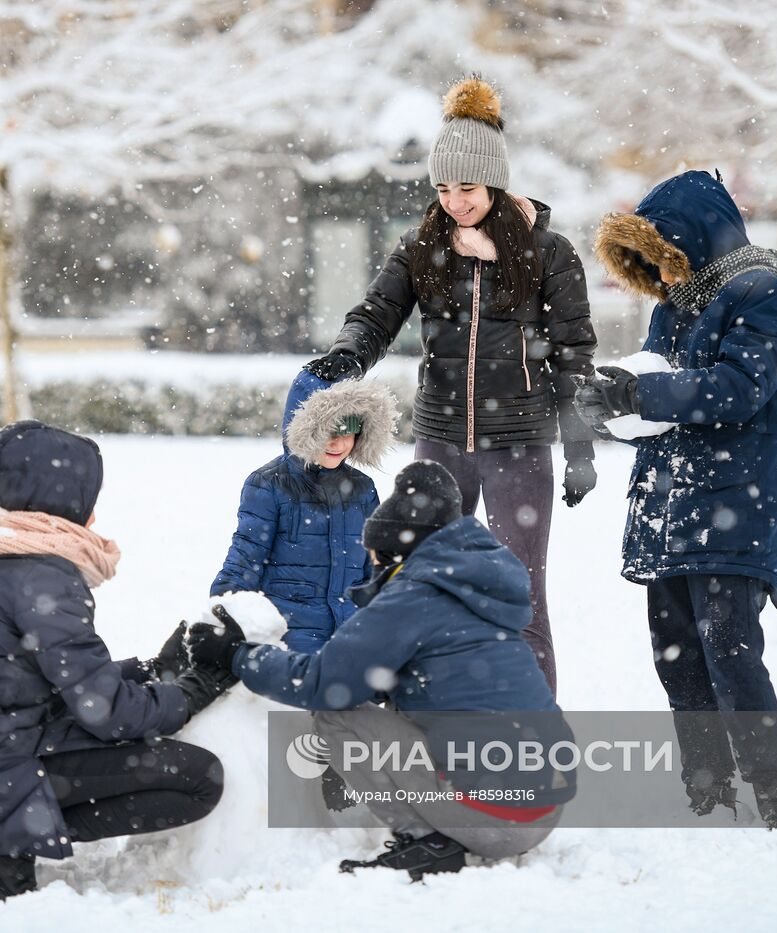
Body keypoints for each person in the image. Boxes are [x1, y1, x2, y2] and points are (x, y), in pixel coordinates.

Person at [303, 76, 597, 695]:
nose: (455, 201)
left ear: (493, 180)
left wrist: (579, 447)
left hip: (517, 442)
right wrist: (347, 356)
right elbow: (377, 313)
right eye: (442, 187)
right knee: (426, 583)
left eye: (466, 187)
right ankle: (443, 712)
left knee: (519, 592)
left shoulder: (548, 253)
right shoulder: (422, 246)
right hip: (440, 442)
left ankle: (532, 727)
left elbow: (573, 354)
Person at [0, 420, 237, 899]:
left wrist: (154, 668)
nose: (92, 513)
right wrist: (196, 688)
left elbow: (43, 680)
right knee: (198, 779)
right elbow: (107, 714)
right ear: (65, 499)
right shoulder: (43, 575)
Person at [189, 461, 574, 880]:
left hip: (497, 818)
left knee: (339, 715)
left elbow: (324, 684)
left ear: (394, 554)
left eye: (373, 559)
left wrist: (236, 655)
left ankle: (425, 839)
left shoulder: (416, 596)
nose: (370, 570)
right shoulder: (471, 589)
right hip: (542, 809)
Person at [579, 169, 777, 828]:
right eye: (652, 266)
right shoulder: (672, 308)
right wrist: (609, 403)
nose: (665, 277)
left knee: (731, 647)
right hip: (669, 498)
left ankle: (775, 794)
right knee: (675, 649)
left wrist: (642, 394)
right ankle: (707, 789)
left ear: (697, 243)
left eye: (669, 260)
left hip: (736, 498)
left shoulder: (761, 294)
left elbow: (739, 388)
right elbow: (658, 398)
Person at [211, 371, 398, 652]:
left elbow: (374, 566)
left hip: (351, 637)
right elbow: (246, 558)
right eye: (328, 432)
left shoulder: (362, 489)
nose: (339, 443)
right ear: (302, 428)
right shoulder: (269, 484)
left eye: (348, 431)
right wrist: (222, 611)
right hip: (289, 636)